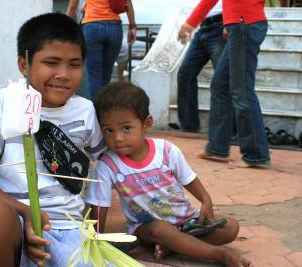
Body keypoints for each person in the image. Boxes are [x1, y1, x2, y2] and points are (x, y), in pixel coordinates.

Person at [0, 13, 106, 267]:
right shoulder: (2, 100)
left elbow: (105, 161)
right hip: (13, 223)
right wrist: (26, 211)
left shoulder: (86, 111)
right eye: (51, 62)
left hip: (67, 230)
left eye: (74, 64)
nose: (63, 74)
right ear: (24, 64)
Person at [86, 81, 252, 267]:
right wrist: (96, 238)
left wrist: (206, 201)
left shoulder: (166, 150)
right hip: (148, 228)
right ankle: (219, 255)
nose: (117, 137)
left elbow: (188, 178)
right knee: (161, 230)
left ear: (146, 124)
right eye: (108, 130)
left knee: (230, 227)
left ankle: (173, 246)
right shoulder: (107, 165)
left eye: (126, 128)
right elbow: (99, 206)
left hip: (186, 222)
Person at [178, 0, 271, 167]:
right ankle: (217, 148)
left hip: (244, 24)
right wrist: (230, 21)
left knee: (242, 91)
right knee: (220, 84)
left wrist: (190, 23)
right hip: (240, 24)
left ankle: (256, 155)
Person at [66, 0, 137, 100]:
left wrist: (63, 28)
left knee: (94, 78)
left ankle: (94, 113)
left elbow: (72, 7)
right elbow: (128, 3)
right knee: (106, 77)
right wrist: (132, 27)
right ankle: (103, 112)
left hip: (92, 28)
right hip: (114, 29)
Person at [176, 1, 225, 132]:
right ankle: (189, 126)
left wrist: (231, 22)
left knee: (223, 78)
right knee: (185, 73)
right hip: (203, 27)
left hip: (222, 24)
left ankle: (228, 130)